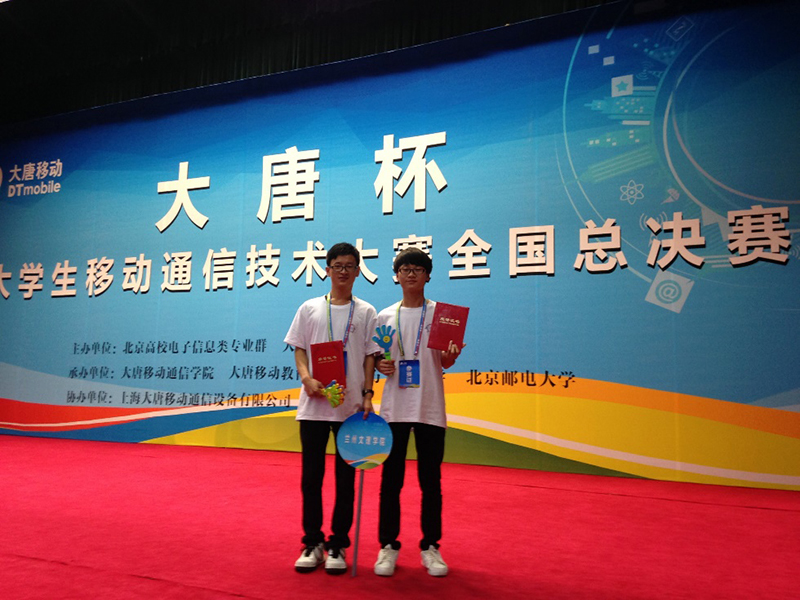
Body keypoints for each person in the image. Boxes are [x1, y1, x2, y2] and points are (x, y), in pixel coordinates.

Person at [364, 247, 463, 577]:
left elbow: (445, 361)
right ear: (397, 276)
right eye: (404, 269)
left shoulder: (442, 315)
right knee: (390, 482)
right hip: (394, 409)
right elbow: (376, 358)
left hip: (430, 407)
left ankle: (430, 546)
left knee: (430, 482)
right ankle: (388, 546)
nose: (410, 274)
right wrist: (381, 365)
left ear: (427, 276)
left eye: (417, 269)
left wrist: (451, 355)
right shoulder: (384, 316)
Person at [285, 242, 380, 575]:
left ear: (357, 271)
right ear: (326, 269)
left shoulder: (366, 312)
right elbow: (298, 347)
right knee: (311, 478)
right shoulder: (309, 307)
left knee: (345, 480)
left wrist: (367, 394)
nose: (343, 271)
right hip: (313, 405)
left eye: (349, 266)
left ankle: (338, 544)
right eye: (337, 265)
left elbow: (369, 357)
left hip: (349, 408)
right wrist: (306, 377)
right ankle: (311, 542)